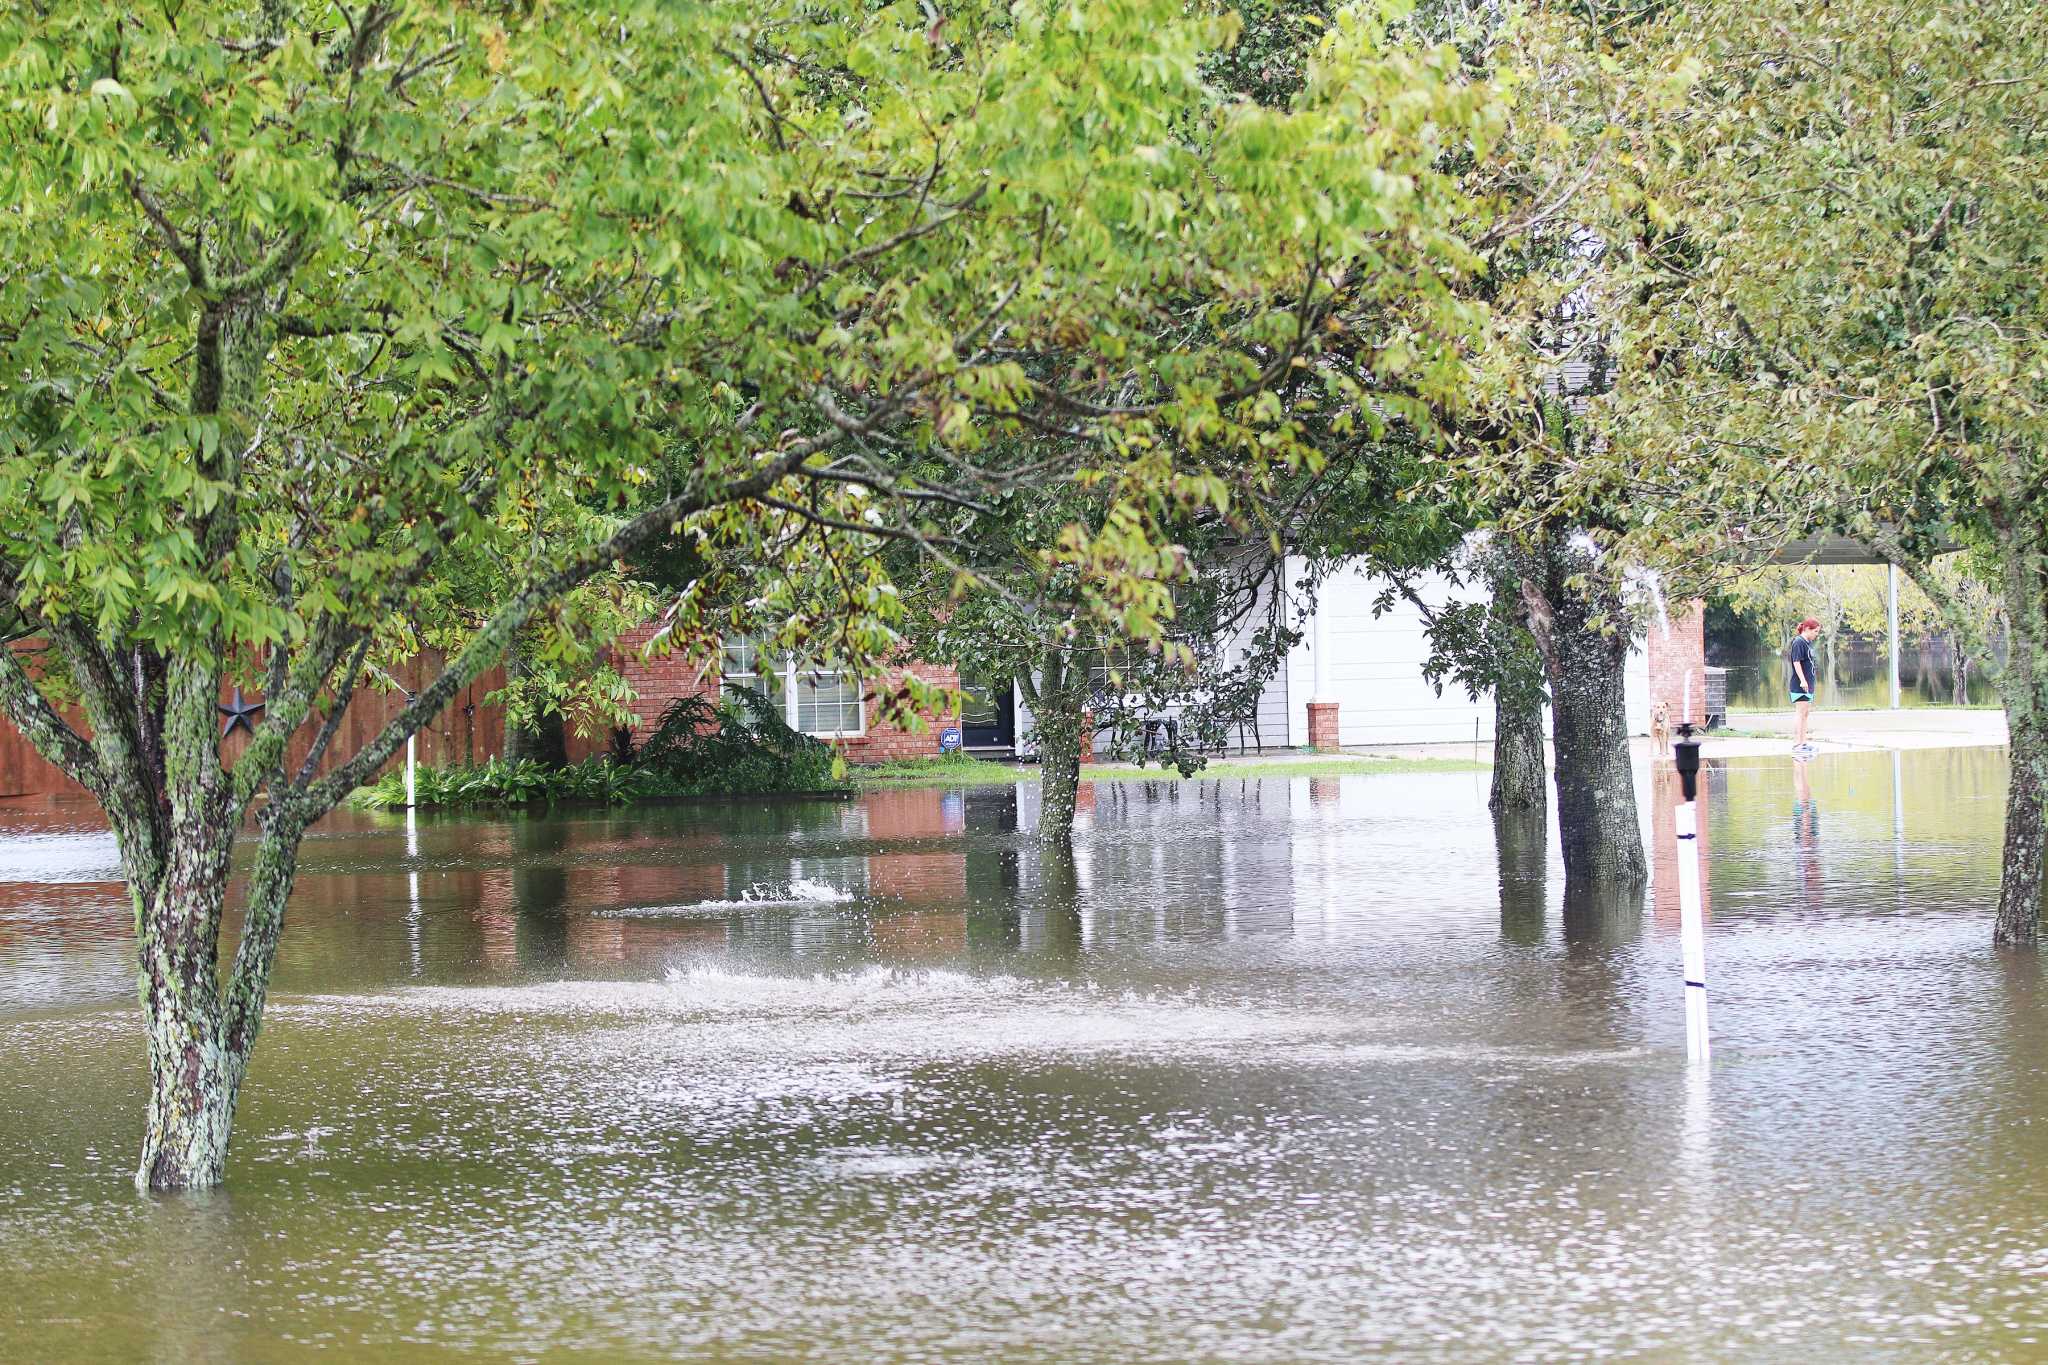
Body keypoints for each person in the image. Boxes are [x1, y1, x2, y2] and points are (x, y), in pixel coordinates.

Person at [1787, 617, 1821, 755]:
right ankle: (1797, 744)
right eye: (1815, 631)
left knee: (1806, 713)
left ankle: (1804, 742)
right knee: (1800, 713)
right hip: (1800, 684)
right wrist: (1802, 680)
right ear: (1807, 629)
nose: (1816, 634)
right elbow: (1796, 662)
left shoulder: (1807, 643)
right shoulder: (1799, 642)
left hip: (1809, 683)